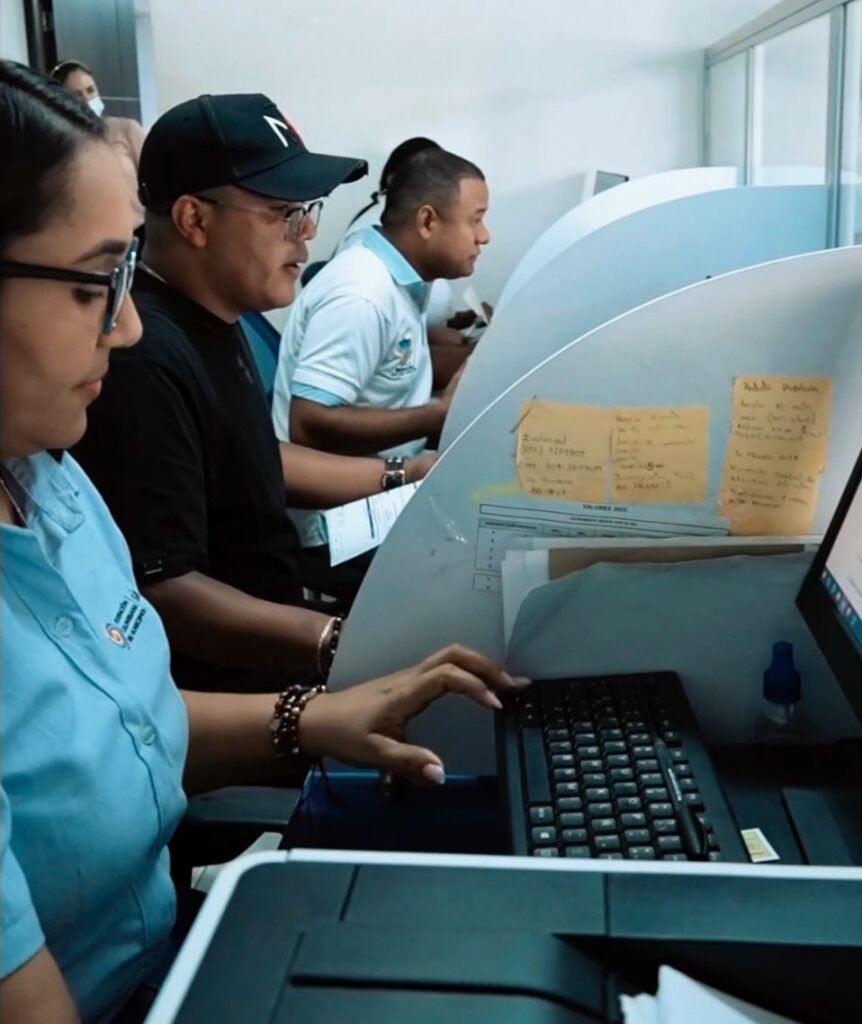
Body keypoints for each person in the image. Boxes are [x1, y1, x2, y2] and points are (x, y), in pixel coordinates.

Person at [0, 61, 525, 1024]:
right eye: (90, 284)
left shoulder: (47, 477)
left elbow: (121, 727)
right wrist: (329, 652)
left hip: (164, 945)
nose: (121, 327)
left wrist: (311, 717)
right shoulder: (142, 369)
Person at [75, 93, 435, 692]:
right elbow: (164, 587)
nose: (309, 234)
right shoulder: (144, 357)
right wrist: (341, 645)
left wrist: (407, 473)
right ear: (194, 220)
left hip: (278, 636)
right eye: (287, 213)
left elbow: (250, 455)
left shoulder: (221, 313)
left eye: (310, 210)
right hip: (233, 690)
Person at [271, 148, 490, 548]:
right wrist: (437, 414)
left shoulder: (401, 279)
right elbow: (307, 425)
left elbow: (398, 365)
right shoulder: (362, 293)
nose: (484, 236)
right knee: (489, 546)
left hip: (381, 487)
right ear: (427, 221)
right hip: (336, 522)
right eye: (476, 220)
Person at [51, 59, 146, 226]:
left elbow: (156, 181)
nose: (87, 99)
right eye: (77, 95)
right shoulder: (59, 146)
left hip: (140, 232)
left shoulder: (126, 130)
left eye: (90, 90)